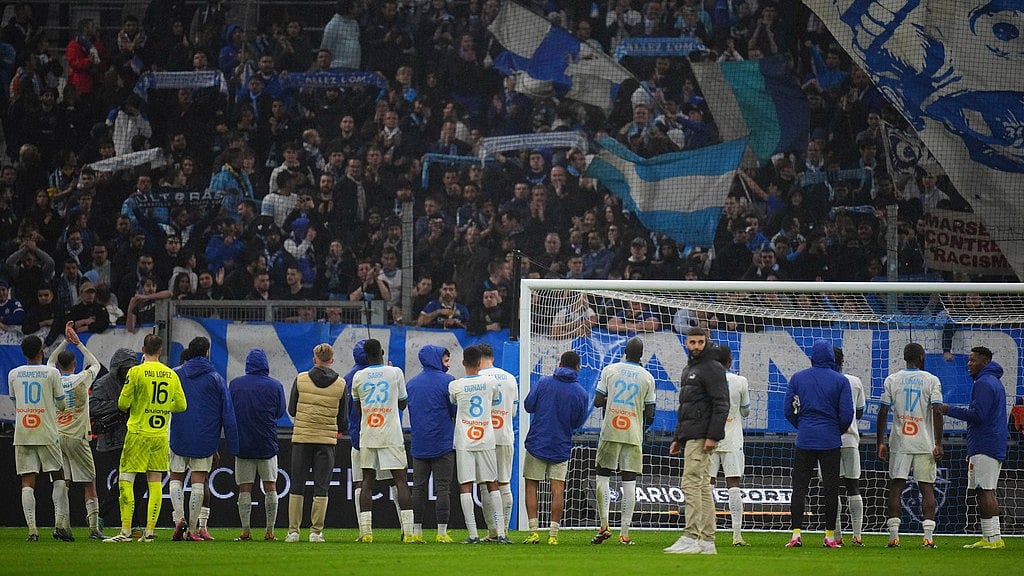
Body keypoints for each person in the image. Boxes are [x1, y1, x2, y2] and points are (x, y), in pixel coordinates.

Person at [104, 334, 186, 543]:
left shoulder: (136, 372)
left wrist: (140, 404)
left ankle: (125, 531)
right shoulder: (170, 374)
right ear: (160, 350)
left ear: (143, 348)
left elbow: (123, 403)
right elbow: (181, 405)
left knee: (126, 480)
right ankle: (149, 532)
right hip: (159, 436)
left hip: (138, 433)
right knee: (155, 483)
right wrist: (162, 407)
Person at [781, 340, 852, 549]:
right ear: (831, 357)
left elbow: (788, 409)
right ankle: (829, 536)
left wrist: (802, 425)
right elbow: (847, 414)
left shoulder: (798, 378)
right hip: (830, 440)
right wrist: (834, 429)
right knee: (831, 488)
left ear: (812, 356)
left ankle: (796, 534)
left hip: (805, 438)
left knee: (799, 487)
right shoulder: (840, 381)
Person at [664, 329, 729, 555]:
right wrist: (678, 438)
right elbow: (687, 408)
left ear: (706, 342)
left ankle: (691, 536)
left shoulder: (711, 367)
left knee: (691, 483)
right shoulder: (690, 369)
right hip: (692, 434)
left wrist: (713, 435)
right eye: (692, 342)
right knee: (702, 487)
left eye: (700, 342)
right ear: (686, 342)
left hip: (702, 435)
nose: (696, 346)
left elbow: (721, 403)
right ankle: (707, 541)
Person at [937, 346, 1009, 549]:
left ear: (984, 362)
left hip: (985, 444)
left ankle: (992, 539)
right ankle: (992, 538)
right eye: (969, 360)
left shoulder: (984, 383)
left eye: (973, 360)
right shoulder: (991, 381)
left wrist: (947, 409)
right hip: (990, 442)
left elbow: (978, 415)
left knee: (984, 490)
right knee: (985, 490)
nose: (969, 364)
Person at [168, 336, 239, 542]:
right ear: (207, 352)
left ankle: (178, 520)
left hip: (178, 434)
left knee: (176, 478)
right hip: (205, 438)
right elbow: (228, 414)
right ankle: (192, 529)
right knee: (198, 481)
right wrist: (233, 447)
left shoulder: (175, 374)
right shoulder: (216, 378)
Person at [877, 342, 943, 548]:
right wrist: (938, 443)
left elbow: (883, 411)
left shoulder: (892, 379)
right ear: (922, 357)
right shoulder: (931, 380)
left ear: (904, 358)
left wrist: (881, 441)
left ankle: (893, 536)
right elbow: (938, 411)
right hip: (925, 443)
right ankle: (928, 538)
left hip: (900, 442)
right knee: (927, 488)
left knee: (896, 487)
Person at [592, 337, 655, 546]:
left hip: (610, 430)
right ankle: (625, 533)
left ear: (625, 352)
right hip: (633, 433)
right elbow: (651, 413)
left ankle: (604, 526)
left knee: (603, 476)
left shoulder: (610, 370)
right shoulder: (647, 377)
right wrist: (640, 426)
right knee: (630, 482)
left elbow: (598, 401)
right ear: (642, 355)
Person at [522, 350, 588, 545]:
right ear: (578, 368)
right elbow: (577, 423)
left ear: (559, 364)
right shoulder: (581, 393)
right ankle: (553, 535)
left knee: (531, 485)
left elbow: (528, 406)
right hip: (561, 445)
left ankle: (533, 531)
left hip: (537, 442)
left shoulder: (543, 383)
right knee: (557, 489)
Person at [9, 334, 69, 542]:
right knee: (58, 476)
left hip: (23, 433)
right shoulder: (52, 373)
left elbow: (16, 403)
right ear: (42, 351)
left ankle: (32, 530)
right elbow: (62, 405)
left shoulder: (13, 374)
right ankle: (60, 526)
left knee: (27, 481)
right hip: (47, 432)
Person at [353, 338, 413, 542]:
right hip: (391, 434)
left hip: (369, 433)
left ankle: (366, 532)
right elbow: (403, 403)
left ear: (365, 356)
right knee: (400, 479)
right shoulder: (395, 372)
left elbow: (357, 408)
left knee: (367, 481)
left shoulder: (359, 376)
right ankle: (409, 533)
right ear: (382, 352)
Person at [48, 323, 105, 540]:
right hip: (78, 438)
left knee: (62, 481)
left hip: (57, 437)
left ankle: (61, 525)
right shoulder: (82, 378)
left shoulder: (52, 379)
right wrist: (78, 342)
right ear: (74, 363)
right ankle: (93, 528)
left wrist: (64, 339)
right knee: (89, 481)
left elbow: (51, 361)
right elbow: (95, 364)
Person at [285, 343, 347, 543]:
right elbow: (343, 419)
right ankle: (316, 532)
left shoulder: (300, 379)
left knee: (297, 485)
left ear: (314, 359)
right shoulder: (340, 384)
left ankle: (293, 531)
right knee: (322, 487)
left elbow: (292, 410)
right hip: (326, 441)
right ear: (332, 360)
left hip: (302, 439)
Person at [448, 345, 509, 544]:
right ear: (479, 363)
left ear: (464, 362)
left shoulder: (455, 385)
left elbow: (453, 402)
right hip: (486, 438)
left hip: (465, 440)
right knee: (493, 483)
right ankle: (501, 533)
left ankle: (473, 534)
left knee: (465, 485)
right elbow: (495, 401)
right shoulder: (491, 383)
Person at [228, 348, 287, 542]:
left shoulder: (235, 385)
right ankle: (269, 531)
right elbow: (280, 412)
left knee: (244, 487)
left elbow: (230, 410)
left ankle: (246, 531)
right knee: (270, 486)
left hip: (243, 443)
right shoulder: (275, 386)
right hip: (267, 443)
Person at [405, 344, 456, 543]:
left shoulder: (412, 383)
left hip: (419, 443)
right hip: (442, 442)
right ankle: (442, 533)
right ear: (436, 359)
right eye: (445, 360)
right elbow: (454, 410)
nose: (448, 365)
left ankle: (416, 532)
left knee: (418, 488)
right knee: (443, 488)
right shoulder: (448, 382)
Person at [88, 347, 140, 534]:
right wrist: (119, 405)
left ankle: (129, 521)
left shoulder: (135, 380)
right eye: (126, 368)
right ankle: (104, 515)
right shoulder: (103, 383)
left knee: (137, 481)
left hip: (132, 437)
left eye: (132, 368)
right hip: (112, 439)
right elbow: (92, 407)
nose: (129, 371)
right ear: (117, 368)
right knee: (128, 480)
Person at [709, 343, 751, 547]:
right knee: (733, 485)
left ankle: (707, 533)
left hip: (709, 439)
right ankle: (736, 535)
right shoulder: (740, 381)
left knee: (707, 486)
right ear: (729, 361)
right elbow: (745, 411)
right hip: (732, 439)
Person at [478, 343, 518, 542]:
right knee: (504, 484)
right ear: (493, 356)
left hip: (484, 437)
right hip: (505, 435)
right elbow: (513, 412)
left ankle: (493, 531)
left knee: (487, 486)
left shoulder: (478, 379)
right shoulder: (510, 378)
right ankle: (505, 530)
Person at [833, 347, 866, 546]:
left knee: (832, 488)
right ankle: (857, 535)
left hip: (829, 442)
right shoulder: (854, 381)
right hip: (851, 439)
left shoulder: (822, 381)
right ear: (843, 360)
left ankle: (836, 536)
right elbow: (860, 412)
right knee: (853, 486)